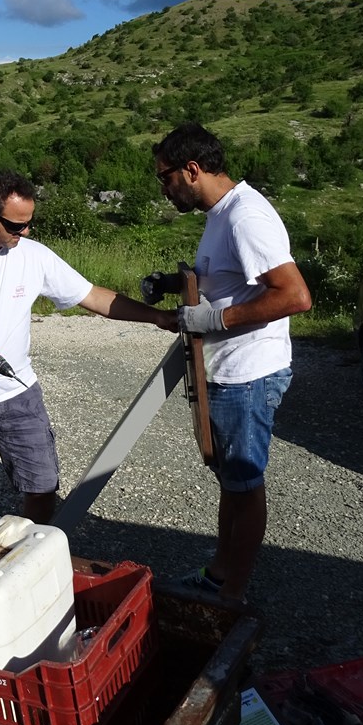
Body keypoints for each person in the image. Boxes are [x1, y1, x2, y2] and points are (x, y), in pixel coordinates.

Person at [0, 170, 177, 526]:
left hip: (21, 395)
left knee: (43, 485)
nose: (25, 232)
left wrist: (156, 318)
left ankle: (32, 553)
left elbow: (93, 296)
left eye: (29, 223)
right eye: (16, 226)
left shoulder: (34, 256)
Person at [152, 123, 312, 603]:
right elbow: (229, 280)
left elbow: (295, 295)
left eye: (166, 177)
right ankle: (219, 575)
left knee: (245, 486)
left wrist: (215, 318)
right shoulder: (222, 213)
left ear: (192, 169)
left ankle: (231, 596)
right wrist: (174, 284)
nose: (164, 188)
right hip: (229, 370)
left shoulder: (245, 217)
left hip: (247, 375)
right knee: (232, 482)